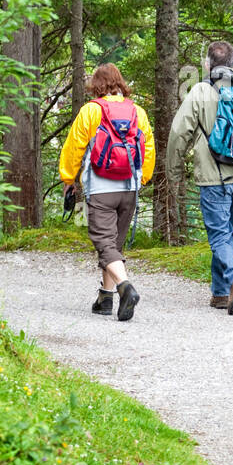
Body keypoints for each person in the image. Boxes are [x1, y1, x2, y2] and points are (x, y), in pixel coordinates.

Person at [166, 39, 233, 315]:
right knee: (229, 235)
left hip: (215, 179)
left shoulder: (200, 91)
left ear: (206, 65)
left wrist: (173, 173)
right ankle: (221, 293)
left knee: (219, 237)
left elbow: (179, 134)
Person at [59, 63, 155, 321]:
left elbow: (74, 147)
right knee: (114, 244)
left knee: (104, 243)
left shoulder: (91, 111)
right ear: (120, 83)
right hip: (130, 187)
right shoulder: (138, 111)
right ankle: (105, 297)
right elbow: (148, 148)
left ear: (96, 86)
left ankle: (126, 288)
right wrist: (142, 177)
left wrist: (68, 178)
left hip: (100, 188)